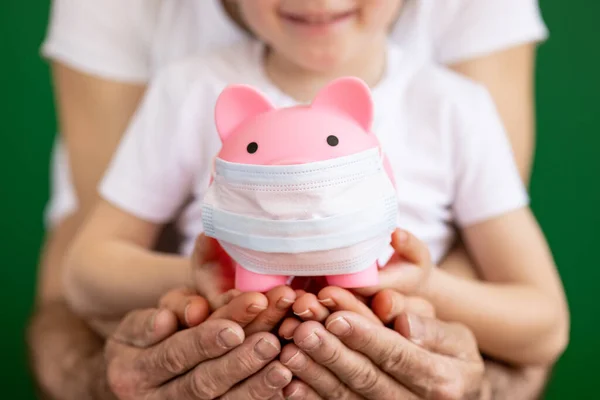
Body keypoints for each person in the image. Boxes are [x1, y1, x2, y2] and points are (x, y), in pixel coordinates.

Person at [26, 0, 558, 398]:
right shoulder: (186, 90)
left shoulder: (455, 108)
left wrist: (424, 286)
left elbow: (545, 323)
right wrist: (199, 278)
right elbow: (85, 275)